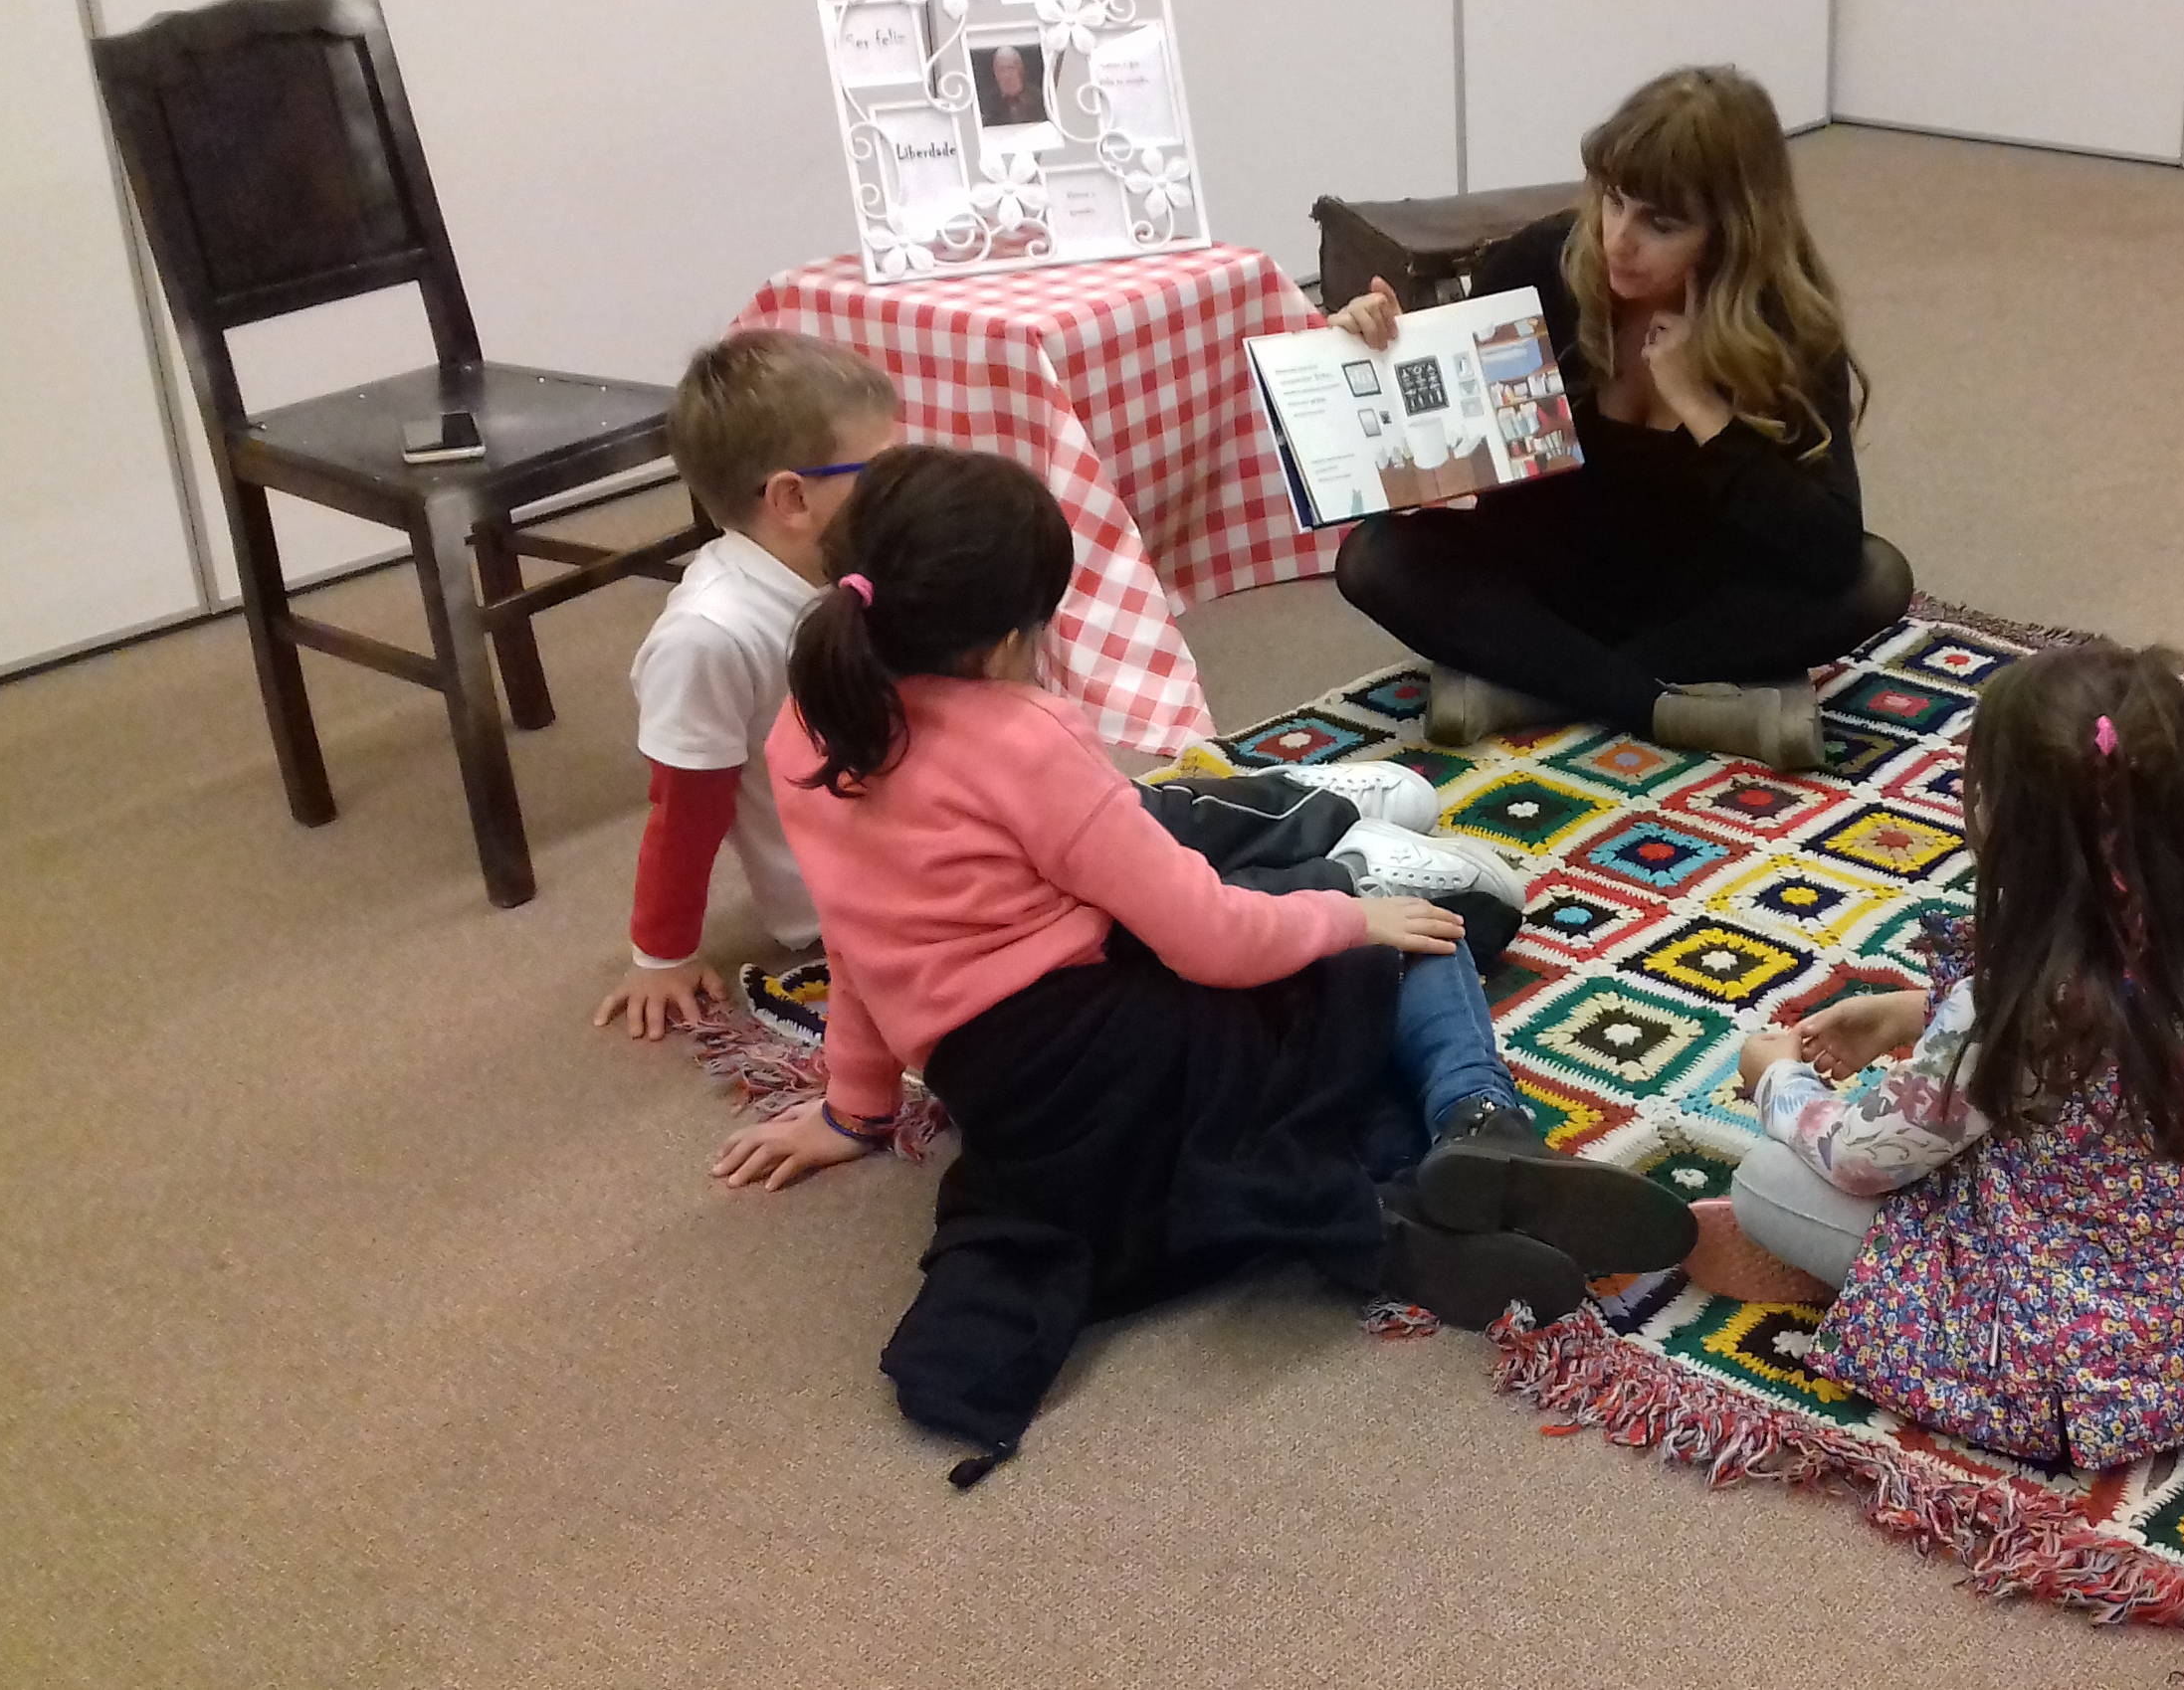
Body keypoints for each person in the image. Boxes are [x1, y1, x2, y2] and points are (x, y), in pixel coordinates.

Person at [719, 448, 1695, 1463]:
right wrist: (1349, 920)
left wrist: (856, 1107)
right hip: (1124, 1053)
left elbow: (856, 938)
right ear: (1010, 638)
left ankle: (1385, 1223)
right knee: (1403, 931)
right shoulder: (1025, 737)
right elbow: (1210, 938)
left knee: (1290, 1053)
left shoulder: (810, 729)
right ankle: (1481, 1124)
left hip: (1007, 1101)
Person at [1695, 644, 2184, 1470]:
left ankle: (1873, 1290)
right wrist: (1911, 1012)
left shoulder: (2023, 1010)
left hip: (2101, 1362)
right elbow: (2122, 1028)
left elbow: (1859, 1157)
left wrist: (1776, 1076)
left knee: (1765, 1182)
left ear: (2006, 822)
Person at [1329, 66, 1913, 773]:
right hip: (1543, 575)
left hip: (1697, 598)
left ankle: (1527, 685)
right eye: (1613, 200)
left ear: (1731, 232)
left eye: (1661, 224)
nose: (1618, 239)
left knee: (1878, 578)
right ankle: (1664, 705)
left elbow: (1830, 547)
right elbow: (1441, 454)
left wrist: (1703, 410)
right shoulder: (1535, 265)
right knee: (1374, 558)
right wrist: (1382, 351)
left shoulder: (1787, 323)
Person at [592, 332, 897, 1040]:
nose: (905, 486)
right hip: (859, 893)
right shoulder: (707, 637)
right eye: (883, 470)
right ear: (792, 499)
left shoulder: (851, 561)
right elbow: (685, 809)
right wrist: (662, 955)